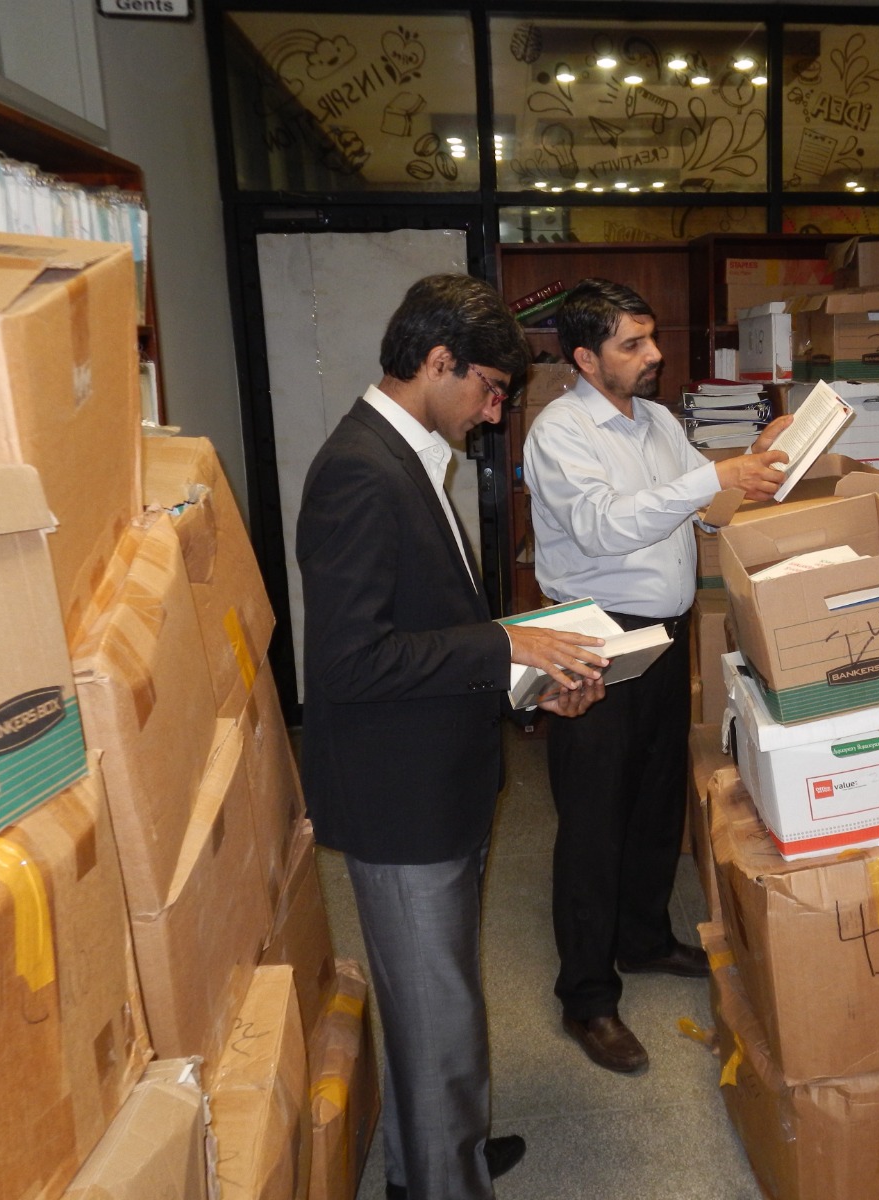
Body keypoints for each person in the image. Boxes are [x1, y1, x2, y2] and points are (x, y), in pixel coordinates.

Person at [297, 273, 608, 1199]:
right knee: (436, 1017)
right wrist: (504, 639)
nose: (494, 411)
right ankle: (443, 1180)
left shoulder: (409, 453)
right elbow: (351, 664)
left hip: (440, 777)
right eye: (489, 389)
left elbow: (427, 632)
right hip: (402, 802)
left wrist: (524, 690)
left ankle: (444, 1154)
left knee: (444, 1005)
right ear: (438, 362)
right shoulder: (358, 467)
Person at [521, 277, 793, 1074]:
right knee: (593, 818)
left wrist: (760, 466)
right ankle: (587, 996)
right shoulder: (560, 432)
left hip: (662, 635)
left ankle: (641, 938)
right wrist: (714, 476)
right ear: (583, 356)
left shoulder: (661, 421)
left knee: (650, 801)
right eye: (632, 344)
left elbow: (706, 514)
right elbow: (604, 527)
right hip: (590, 638)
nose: (654, 355)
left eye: (651, 338)